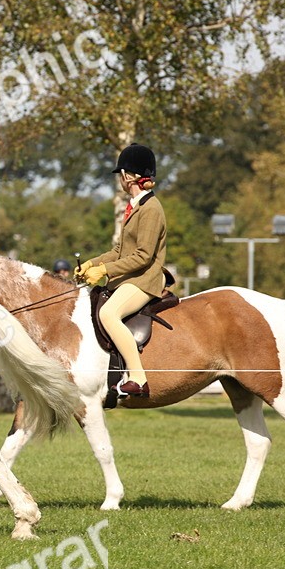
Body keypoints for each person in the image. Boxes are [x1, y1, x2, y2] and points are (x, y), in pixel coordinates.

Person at [75, 143, 167, 399]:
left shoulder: (151, 208)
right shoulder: (136, 206)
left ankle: (138, 378)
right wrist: (91, 265)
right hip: (130, 278)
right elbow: (119, 251)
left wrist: (104, 270)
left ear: (129, 176)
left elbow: (143, 256)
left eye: (121, 175)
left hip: (145, 280)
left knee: (109, 313)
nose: (120, 180)